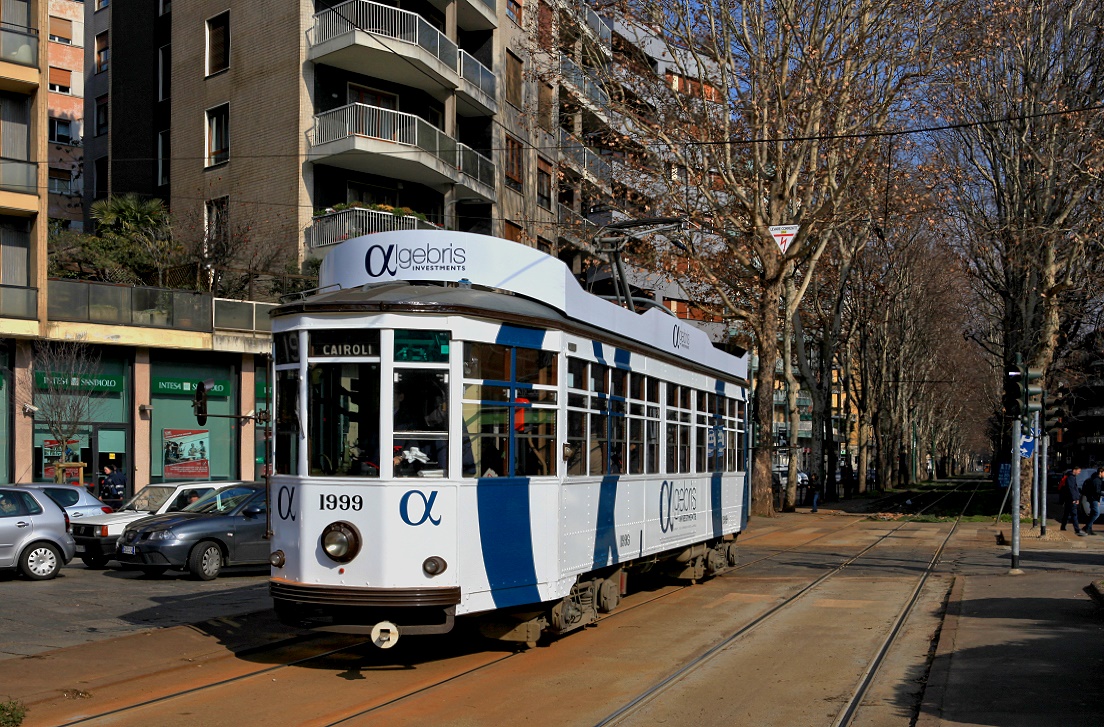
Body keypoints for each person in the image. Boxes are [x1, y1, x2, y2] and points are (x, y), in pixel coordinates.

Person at [1059, 465, 1084, 536]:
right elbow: (1071, 489)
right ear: (1074, 470)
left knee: (1066, 513)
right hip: (1071, 499)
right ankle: (1077, 529)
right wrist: (1075, 499)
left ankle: (1063, 526)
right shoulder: (1071, 478)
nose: (1079, 472)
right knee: (1074, 514)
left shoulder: (1070, 477)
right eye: (1079, 471)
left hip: (1068, 499)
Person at [1080, 466, 1103, 535]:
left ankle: (1088, 528)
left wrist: (1098, 500)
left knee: (1093, 513)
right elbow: (1097, 491)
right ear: (1100, 472)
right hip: (1093, 498)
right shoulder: (1096, 480)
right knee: (1096, 513)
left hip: (1093, 498)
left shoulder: (1097, 479)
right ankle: (1087, 527)